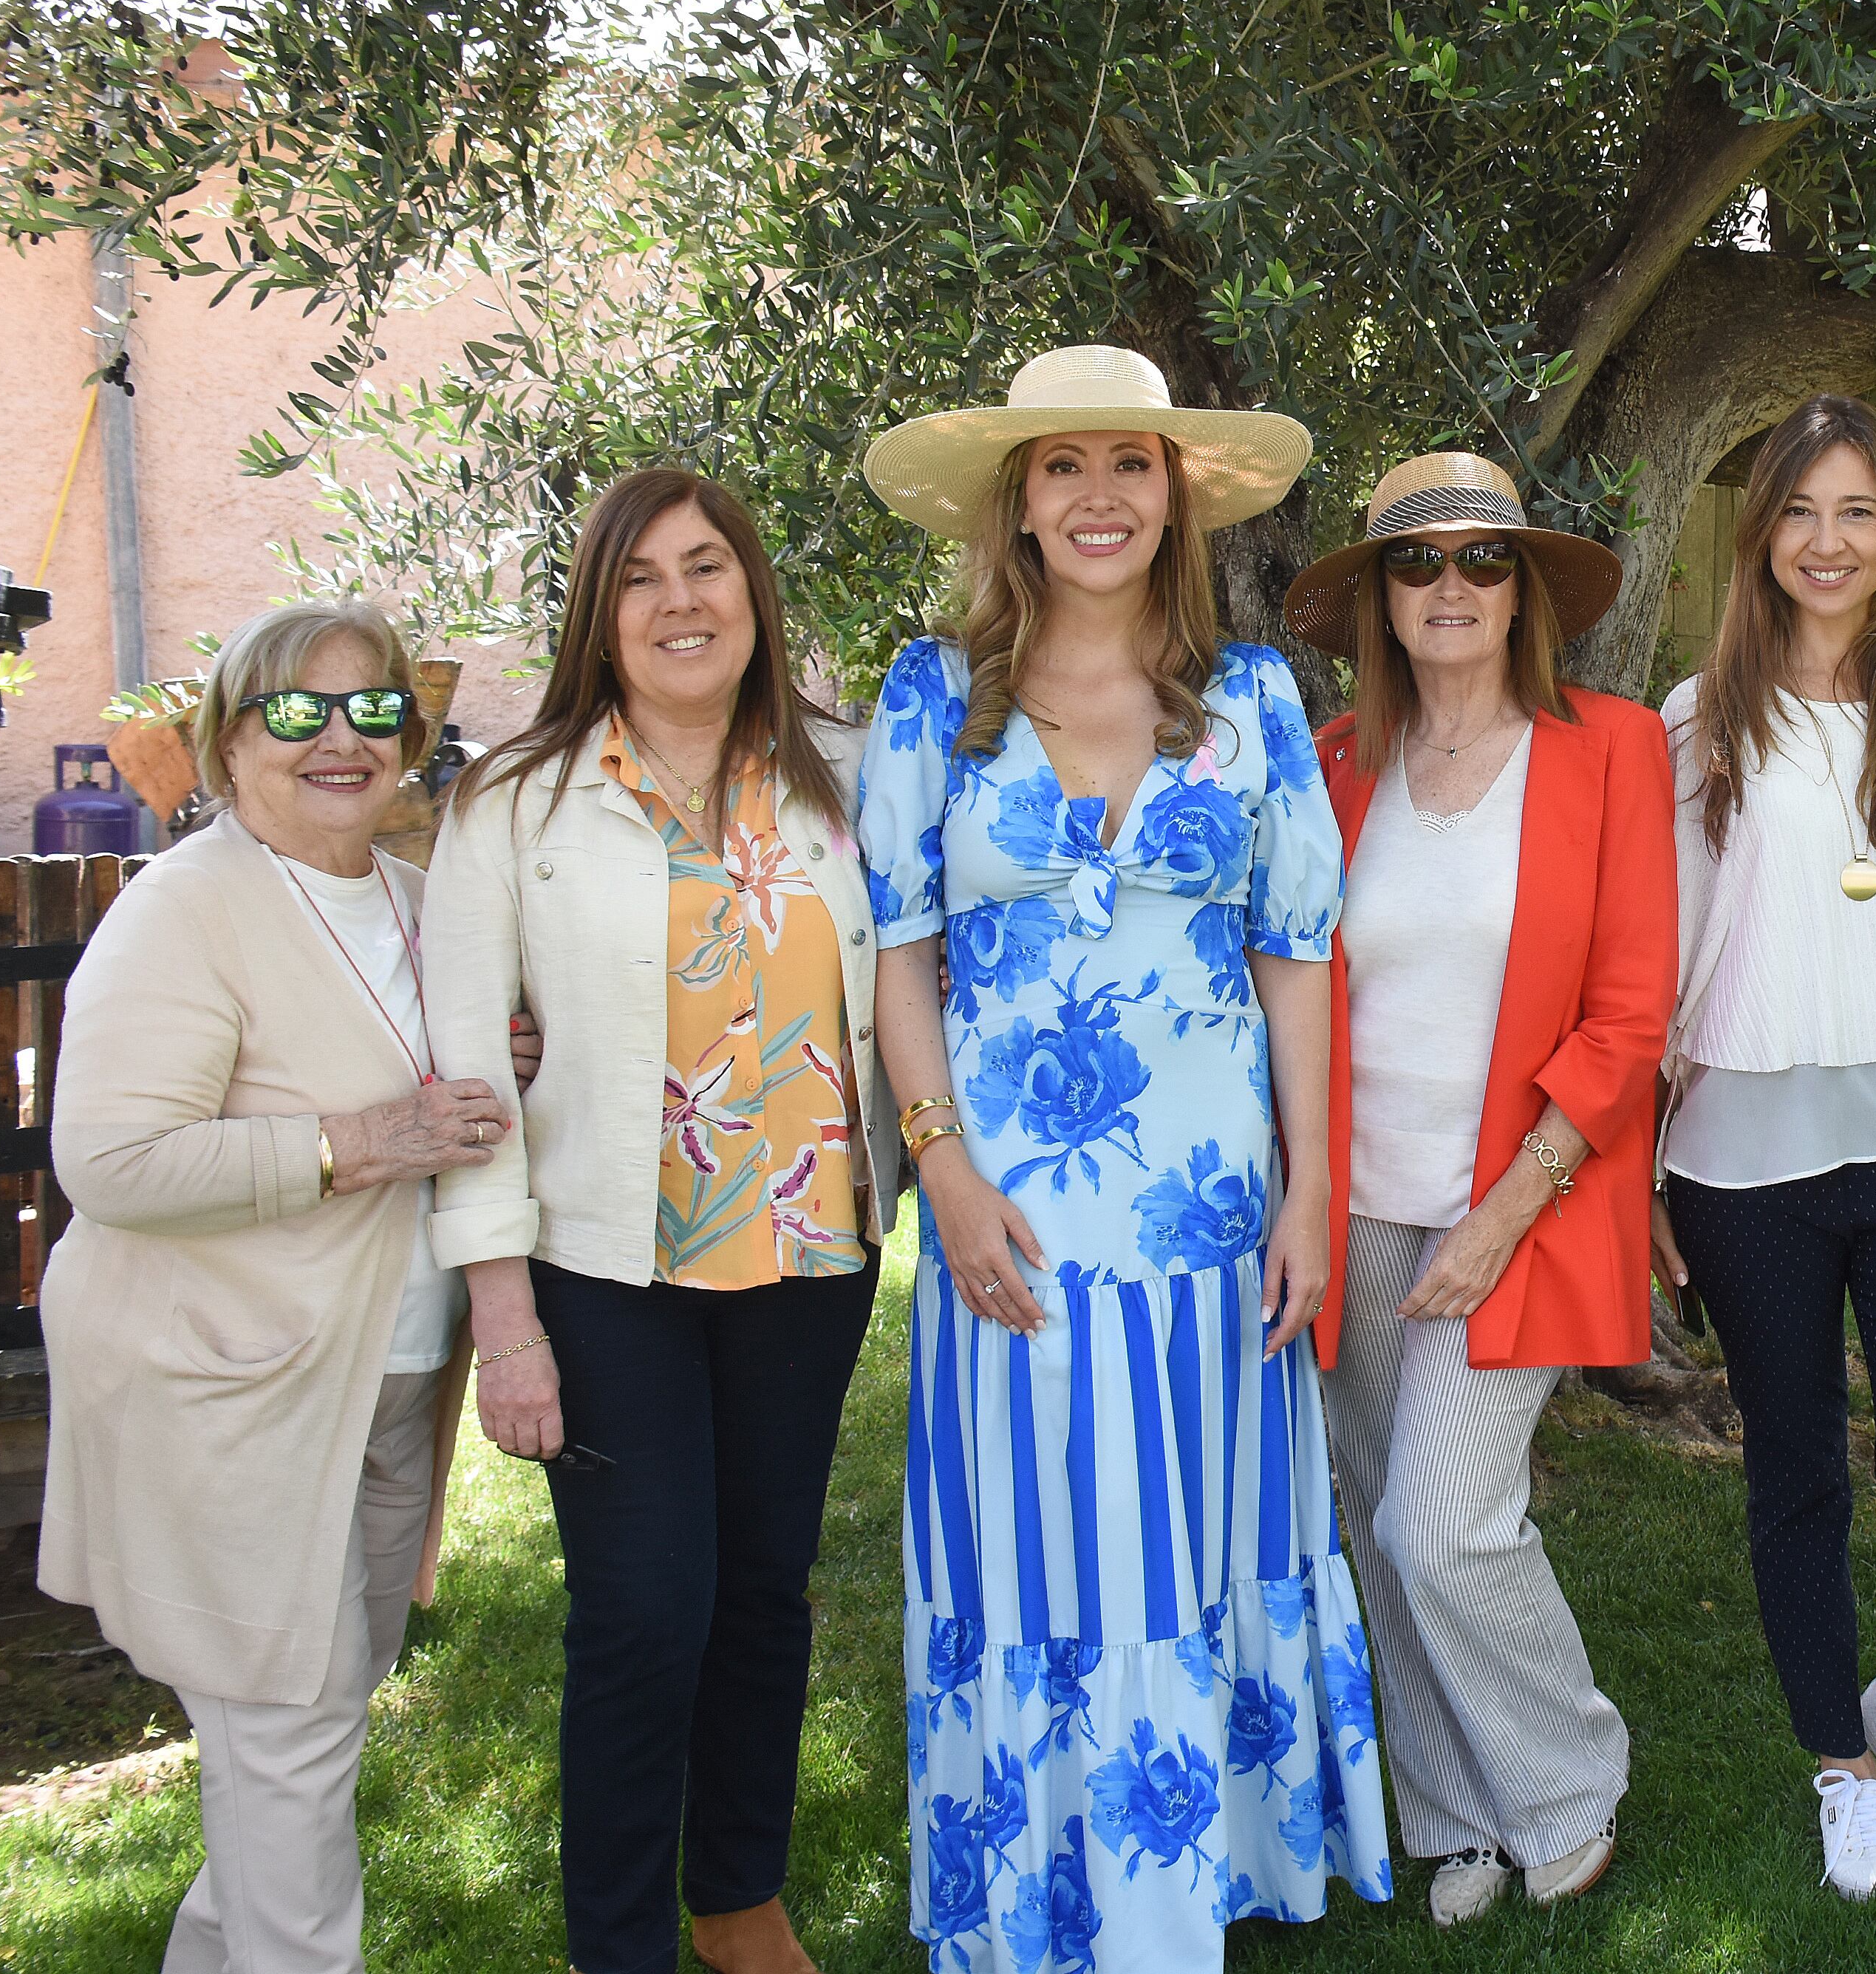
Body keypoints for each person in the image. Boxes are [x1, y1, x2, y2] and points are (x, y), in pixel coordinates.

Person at [856, 344, 1391, 1971]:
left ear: (1177, 497)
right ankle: (1036, 1890)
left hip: (1212, 1205)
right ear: (1015, 501)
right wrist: (938, 1170)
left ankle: (1199, 1868)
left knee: (1197, 1521)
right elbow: (898, 948)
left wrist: (1309, 1184)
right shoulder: (927, 696)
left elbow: (1296, 946)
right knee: (1030, 1530)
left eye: (1131, 466)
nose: (1098, 497)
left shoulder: (1251, 702)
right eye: (1063, 465)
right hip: (1004, 1210)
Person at [423, 469, 901, 1974]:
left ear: (754, 593)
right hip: (603, 1263)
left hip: (810, 1249)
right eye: (641, 578)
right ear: (598, 617)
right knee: (644, 1610)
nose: (682, 602)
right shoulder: (516, 797)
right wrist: (504, 1323)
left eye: (708, 568)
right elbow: (464, 1072)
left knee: (761, 1591)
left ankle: (739, 1898)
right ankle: (616, 1942)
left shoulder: (850, 771)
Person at [41, 600, 511, 1974]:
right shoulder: (186, 912)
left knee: (300, 1729)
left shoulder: (424, 905)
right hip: (230, 1393)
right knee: (289, 1735)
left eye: (374, 709)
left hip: (383, 1385)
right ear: (228, 741)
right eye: (295, 711)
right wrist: (360, 1143)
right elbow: (114, 1160)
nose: (339, 738)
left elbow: (446, 1090)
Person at [1281, 451, 1676, 1925]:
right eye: (1417, 563)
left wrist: (1506, 1208)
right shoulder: (1332, 763)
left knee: (1442, 1526)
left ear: (1524, 592)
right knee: (1375, 1508)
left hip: (1521, 1197)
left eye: (1482, 561)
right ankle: (1451, 1812)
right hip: (1352, 1202)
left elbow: (1633, 1009)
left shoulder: (1610, 748)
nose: (1450, 588)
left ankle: (1569, 1783)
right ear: (1379, 598)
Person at [1651, 392, 1876, 1901]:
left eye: (1858, 510)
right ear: (1759, 538)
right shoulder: (1698, 720)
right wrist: (1634, 1170)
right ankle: (1840, 1765)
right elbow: (1658, 956)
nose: (1827, 541)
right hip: (1744, 1166)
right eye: (1800, 512)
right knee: (1796, 1471)